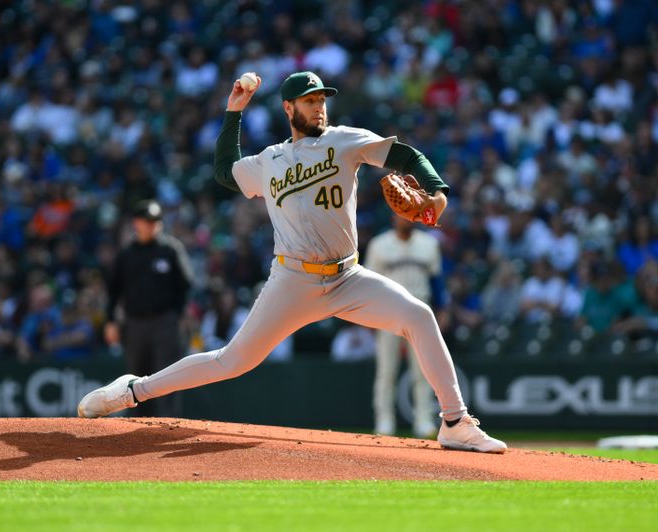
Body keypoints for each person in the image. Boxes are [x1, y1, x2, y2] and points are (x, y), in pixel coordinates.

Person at [79, 71, 506, 453]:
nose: (319, 107)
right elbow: (226, 172)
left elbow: (408, 157)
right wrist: (234, 112)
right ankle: (133, 391)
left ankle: (454, 423)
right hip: (293, 280)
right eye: (310, 100)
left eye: (322, 99)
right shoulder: (269, 161)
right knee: (232, 361)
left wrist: (436, 193)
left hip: (347, 276)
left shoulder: (344, 140)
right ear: (289, 107)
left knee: (419, 315)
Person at [104, 199, 193, 417]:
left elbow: (187, 283)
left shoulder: (170, 249)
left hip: (165, 322)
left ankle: (167, 425)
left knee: (166, 375)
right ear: (136, 223)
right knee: (136, 378)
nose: (152, 225)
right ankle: (137, 429)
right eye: (147, 221)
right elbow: (113, 291)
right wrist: (110, 321)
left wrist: (180, 315)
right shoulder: (126, 254)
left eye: (155, 221)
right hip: (134, 324)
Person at [365, 217, 441, 438]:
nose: (405, 218)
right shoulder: (379, 245)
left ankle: (423, 420)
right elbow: (370, 285)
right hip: (389, 313)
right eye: (401, 213)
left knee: (423, 371)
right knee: (386, 371)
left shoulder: (429, 244)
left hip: (420, 313)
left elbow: (436, 283)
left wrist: (442, 310)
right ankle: (384, 422)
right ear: (393, 216)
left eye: (409, 213)